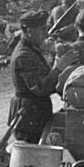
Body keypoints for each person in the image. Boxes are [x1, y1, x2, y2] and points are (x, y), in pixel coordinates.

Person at [9, 11, 78, 143]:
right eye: (42, 29)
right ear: (29, 31)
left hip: (34, 114)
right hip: (28, 118)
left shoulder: (32, 49)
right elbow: (40, 88)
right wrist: (59, 67)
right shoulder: (23, 55)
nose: (46, 33)